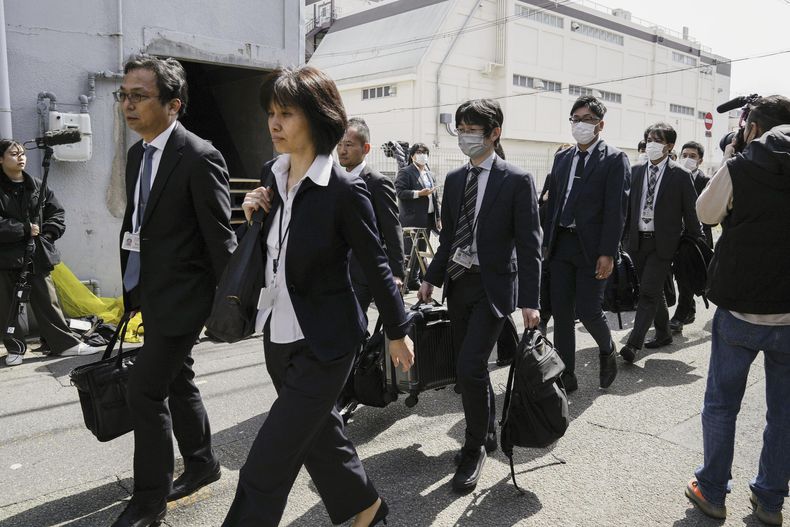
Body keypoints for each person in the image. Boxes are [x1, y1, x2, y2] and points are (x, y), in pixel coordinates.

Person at [222, 66, 414, 527]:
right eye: (271, 112)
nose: (275, 123)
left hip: (327, 343)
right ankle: (367, 509)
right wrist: (253, 214)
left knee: (268, 460)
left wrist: (398, 331)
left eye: (286, 113)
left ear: (316, 117)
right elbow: (276, 250)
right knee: (318, 435)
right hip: (278, 336)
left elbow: (377, 262)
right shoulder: (272, 172)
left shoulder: (345, 190)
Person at [112, 54, 236, 527]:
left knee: (144, 391)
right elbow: (136, 223)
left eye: (139, 96)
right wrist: (132, 284)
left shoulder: (200, 156)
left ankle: (149, 500)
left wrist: (230, 305)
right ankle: (202, 462)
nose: (128, 104)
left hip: (186, 299)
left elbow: (220, 238)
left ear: (174, 104)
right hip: (149, 289)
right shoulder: (136, 153)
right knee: (177, 378)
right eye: (124, 95)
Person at [418, 98, 541, 492]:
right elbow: (450, 237)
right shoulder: (454, 180)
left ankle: (474, 449)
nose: (466, 136)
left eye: (474, 129)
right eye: (462, 129)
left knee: (470, 365)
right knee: (466, 365)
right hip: (458, 283)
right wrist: (430, 279)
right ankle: (486, 428)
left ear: (494, 134)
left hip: (493, 288)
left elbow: (530, 245)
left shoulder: (517, 180)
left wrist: (531, 300)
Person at [685, 95, 790, 526]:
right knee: (784, 414)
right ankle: (769, 501)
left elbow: (706, 214)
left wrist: (729, 160)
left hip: (740, 311)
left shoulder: (742, 165)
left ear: (752, 128)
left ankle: (712, 491)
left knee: (722, 403)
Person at [542, 95, 630, 393]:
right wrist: (545, 243)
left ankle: (607, 349)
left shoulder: (615, 159)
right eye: (576, 119)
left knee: (590, 310)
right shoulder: (562, 158)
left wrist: (608, 252)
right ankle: (566, 374)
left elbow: (616, 210)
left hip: (592, 249)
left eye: (588, 120)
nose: (580, 125)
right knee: (562, 312)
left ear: (600, 125)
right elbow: (554, 203)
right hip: (561, 245)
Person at [0, 139, 101, 366]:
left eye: (22, 153)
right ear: (1, 159)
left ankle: (65, 344)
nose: (21, 157)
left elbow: (57, 213)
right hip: (5, 257)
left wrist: (47, 235)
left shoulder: (36, 184)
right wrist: (24, 229)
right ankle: (14, 349)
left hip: (36, 254)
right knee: (7, 306)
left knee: (47, 301)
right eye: (14, 154)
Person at [619, 123, 704, 364]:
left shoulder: (681, 175)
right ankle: (664, 333)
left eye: (657, 139)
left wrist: (693, 243)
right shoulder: (634, 171)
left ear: (669, 146)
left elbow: (691, 212)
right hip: (635, 242)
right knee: (651, 290)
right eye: (648, 138)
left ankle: (633, 345)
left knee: (647, 293)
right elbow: (625, 210)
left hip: (663, 245)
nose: (651, 143)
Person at [337, 117, 405, 311]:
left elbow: (392, 229)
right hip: (337, 271)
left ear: (366, 148)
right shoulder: (334, 180)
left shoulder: (378, 182)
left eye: (348, 145)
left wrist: (396, 273)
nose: (342, 150)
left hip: (363, 273)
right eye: (339, 144)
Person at [670, 141, 714, 333]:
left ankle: (680, 315)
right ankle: (688, 310)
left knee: (688, 276)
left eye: (693, 156)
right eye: (685, 154)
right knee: (681, 276)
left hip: (697, 238)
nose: (687, 159)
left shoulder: (707, 181)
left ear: (700, 160)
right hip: (677, 236)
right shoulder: (675, 177)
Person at [395, 142, 440, 290]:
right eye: (419, 152)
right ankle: (402, 281)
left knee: (420, 251)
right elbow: (400, 192)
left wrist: (438, 217)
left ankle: (414, 280)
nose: (423, 155)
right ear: (412, 155)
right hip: (411, 219)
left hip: (427, 217)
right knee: (409, 251)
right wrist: (418, 194)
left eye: (425, 152)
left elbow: (435, 197)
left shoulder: (429, 174)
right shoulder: (406, 172)